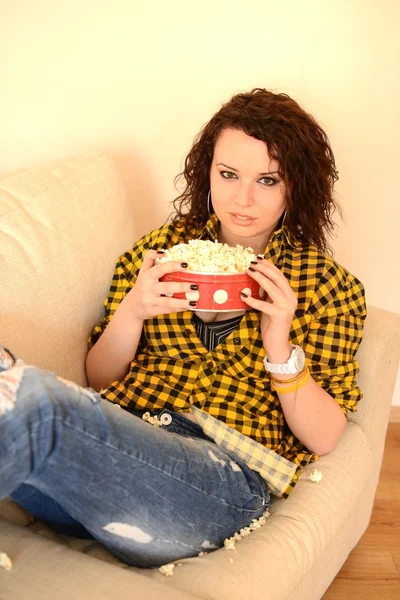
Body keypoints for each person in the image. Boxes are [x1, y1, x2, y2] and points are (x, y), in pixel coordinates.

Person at [0, 88, 366, 569]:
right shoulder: (157, 252)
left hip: (218, 483)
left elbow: (324, 437)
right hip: (110, 454)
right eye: (228, 174)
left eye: (268, 180)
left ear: (297, 186)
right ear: (206, 171)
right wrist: (132, 312)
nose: (243, 199)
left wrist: (280, 347)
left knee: (37, 410)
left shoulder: (327, 287)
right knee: (32, 407)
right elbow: (104, 379)